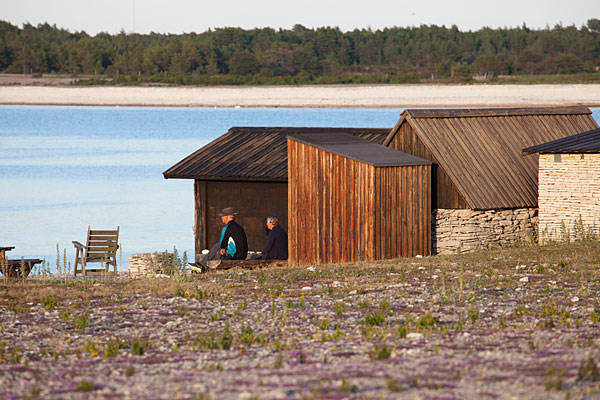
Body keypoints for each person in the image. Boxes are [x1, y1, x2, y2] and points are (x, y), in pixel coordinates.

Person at [192, 206, 248, 271]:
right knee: (218, 252)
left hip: (235, 257)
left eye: (223, 216)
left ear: (227, 217)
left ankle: (202, 265)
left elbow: (222, 242)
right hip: (243, 255)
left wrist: (223, 248)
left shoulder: (227, 228)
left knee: (217, 247)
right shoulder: (239, 227)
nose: (221, 218)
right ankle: (203, 266)